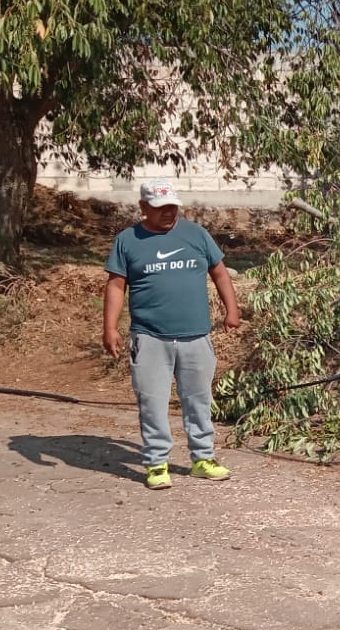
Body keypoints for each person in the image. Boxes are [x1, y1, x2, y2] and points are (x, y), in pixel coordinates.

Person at [103, 178, 242, 490]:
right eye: (160, 207)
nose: (168, 213)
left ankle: (203, 459)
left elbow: (219, 272)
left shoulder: (195, 234)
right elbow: (115, 285)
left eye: (172, 207)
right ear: (143, 207)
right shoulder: (128, 240)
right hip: (150, 337)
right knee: (152, 402)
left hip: (196, 336)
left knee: (199, 401)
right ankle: (156, 463)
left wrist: (232, 310)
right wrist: (110, 327)